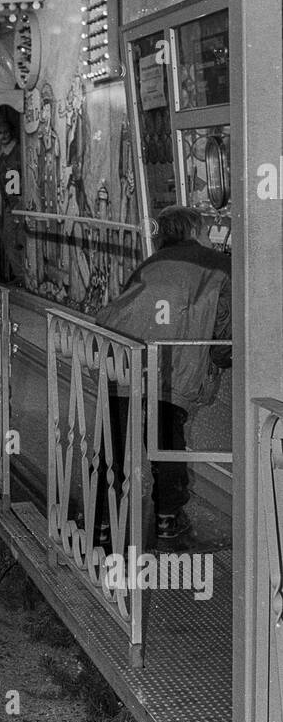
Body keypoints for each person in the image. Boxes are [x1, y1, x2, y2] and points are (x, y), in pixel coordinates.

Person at [94, 205, 231, 544]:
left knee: (114, 445)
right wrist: (220, 357)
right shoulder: (219, 266)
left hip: (124, 359)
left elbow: (123, 304)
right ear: (194, 230)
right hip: (173, 367)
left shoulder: (150, 264)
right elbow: (226, 324)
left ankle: (103, 522)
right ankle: (168, 518)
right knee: (167, 440)